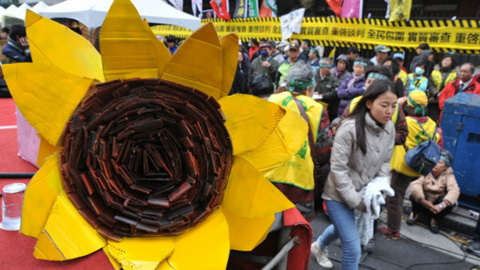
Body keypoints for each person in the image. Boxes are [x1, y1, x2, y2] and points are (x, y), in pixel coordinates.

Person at [311, 79, 397, 269]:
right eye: (384, 105)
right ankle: (320, 246)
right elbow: (338, 170)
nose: (389, 111)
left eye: (394, 106)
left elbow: (385, 160)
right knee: (352, 246)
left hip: (365, 192)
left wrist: (379, 186)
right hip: (338, 194)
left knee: (343, 227)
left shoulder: (389, 128)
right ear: (369, 103)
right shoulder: (349, 128)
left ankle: (318, 246)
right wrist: (357, 201)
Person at [266, 63, 330, 221]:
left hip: (269, 175)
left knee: (265, 226)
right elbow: (323, 150)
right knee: (296, 228)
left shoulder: (273, 99)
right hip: (300, 180)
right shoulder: (318, 109)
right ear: (309, 89)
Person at [381, 90, 443, 240]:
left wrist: (399, 104)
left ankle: (393, 230)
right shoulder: (433, 124)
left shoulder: (407, 122)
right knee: (398, 194)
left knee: (395, 198)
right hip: (418, 168)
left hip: (402, 166)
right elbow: (439, 143)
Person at [407, 150, 460, 234]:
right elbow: (416, 184)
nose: (436, 164)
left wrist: (442, 205)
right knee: (414, 195)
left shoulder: (448, 174)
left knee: (451, 202)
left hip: (437, 203)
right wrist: (423, 201)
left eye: (439, 163)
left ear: (445, 167)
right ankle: (414, 214)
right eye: (435, 161)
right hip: (425, 199)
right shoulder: (426, 168)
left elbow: (454, 190)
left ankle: (434, 220)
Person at [428, 55, 457, 121]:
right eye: (444, 60)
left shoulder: (455, 75)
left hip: (447, 101)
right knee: (432, 119)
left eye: (448, 60)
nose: (445, 62)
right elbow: (430, 84)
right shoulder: (434, 72)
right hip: (434, 99)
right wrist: (436, 93)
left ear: (452, 63)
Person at [314, 57, 341, 122]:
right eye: (326, 67)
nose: (327, 69)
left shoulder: (333, 79)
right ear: (320, 66)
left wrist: (323, 96)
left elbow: (335, 92)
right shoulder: (313, 75)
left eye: (329, 68)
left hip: (326, 107)